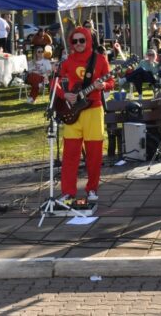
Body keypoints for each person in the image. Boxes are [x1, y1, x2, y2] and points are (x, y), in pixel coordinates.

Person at [53, 26, 114, 203]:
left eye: (82, 40)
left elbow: (111, 82)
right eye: (75, 41)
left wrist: (104, 85)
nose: (78, 43)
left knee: (94, 155)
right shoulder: (67, 62)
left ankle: (92, 189)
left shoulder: (100, 59)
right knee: (70, 155)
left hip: (94, 111)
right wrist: (64, 95)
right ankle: (67, 191)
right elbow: (54, 82)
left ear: (88, 40)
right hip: (72, 112)